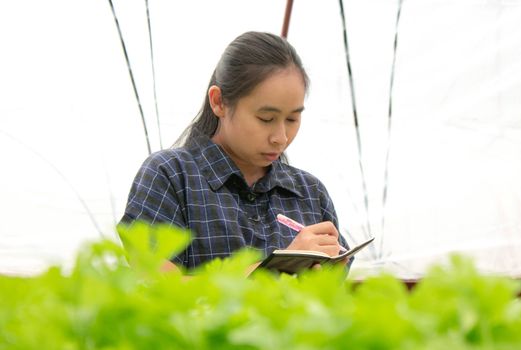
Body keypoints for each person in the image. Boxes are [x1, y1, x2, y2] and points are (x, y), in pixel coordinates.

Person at [120, 31, 350, 274]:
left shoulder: (309, 193)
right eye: (266, 118)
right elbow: (158, 289)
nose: (281, 137)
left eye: (292, 118)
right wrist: (277, 268)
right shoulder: (170, 176)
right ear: (219, 102)